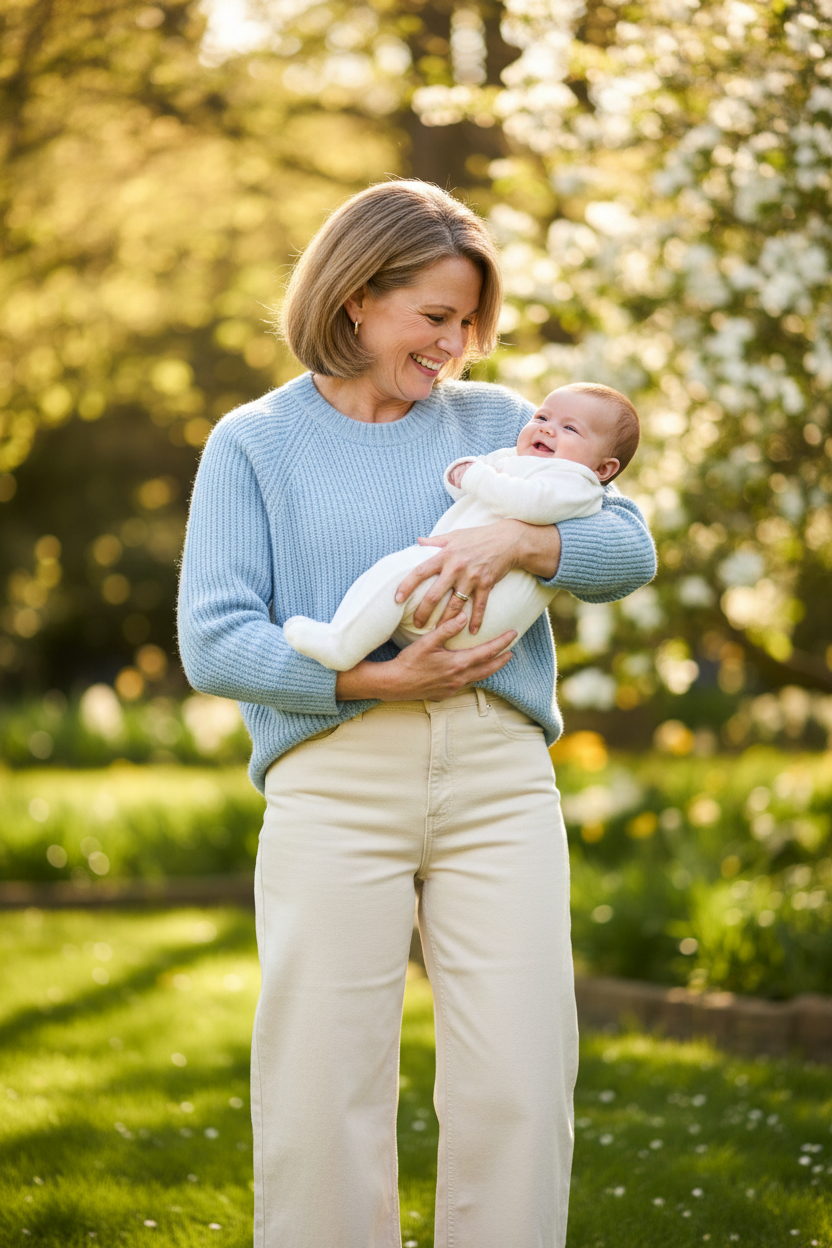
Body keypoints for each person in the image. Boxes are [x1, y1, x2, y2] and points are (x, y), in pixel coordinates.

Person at [177, 179, 656, 1248]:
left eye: (467, 321)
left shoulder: (500, 425)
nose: (456, 344)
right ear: (357, 298)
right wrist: (372, 680)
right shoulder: (254, 442)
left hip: (498, 781)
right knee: (322, 1082)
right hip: (336, 778)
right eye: (434, 317)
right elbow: (214, 641)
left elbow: (628, 549)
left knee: (521, 1077)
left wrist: (521, 544)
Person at [283, 382, 639, 670]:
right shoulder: (519, 459)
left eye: (569, 428)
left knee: (397, 575)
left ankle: (341, 645)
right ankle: (346, 637)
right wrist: (465, 474)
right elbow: (468, 478)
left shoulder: (576, 482)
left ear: (604, 470)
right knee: (394, 572)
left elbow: (526, 502)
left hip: (474, 619)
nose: (546, 427)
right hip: (444, 609)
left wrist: (512, 535)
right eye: (542, 416)